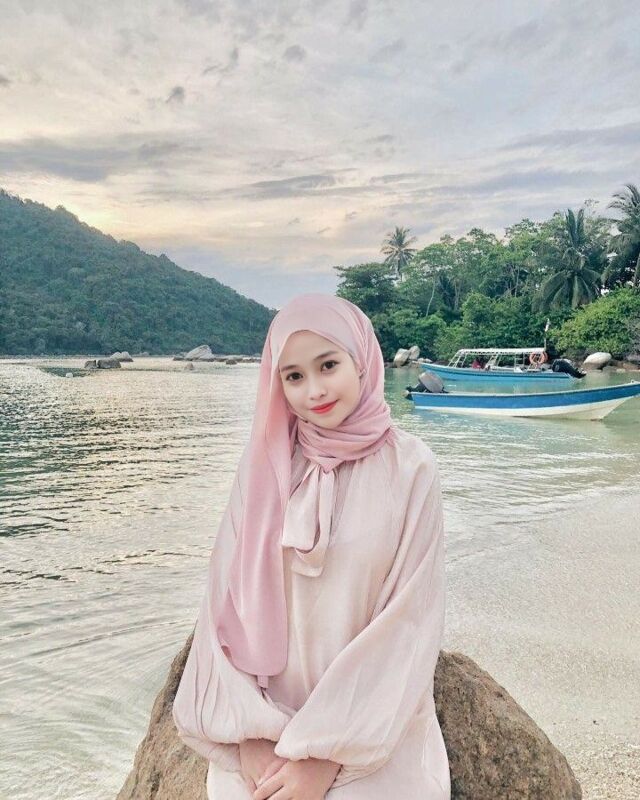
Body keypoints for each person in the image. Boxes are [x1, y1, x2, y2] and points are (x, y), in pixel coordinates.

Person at [172, 293, 450, 799]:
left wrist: (325, 754)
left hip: (371, 723)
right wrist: (249, 733)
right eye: (294, 376)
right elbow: (223, 600)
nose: (314, 390)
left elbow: (410, 619)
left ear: (361, 360)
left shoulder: (412, 468)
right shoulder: (265, 465)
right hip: (266, 719)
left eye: (328, 365)